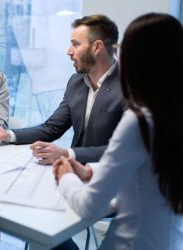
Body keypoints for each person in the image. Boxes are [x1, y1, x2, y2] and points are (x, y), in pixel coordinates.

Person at [53, 13, 183, 249]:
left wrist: (65, 177)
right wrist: (90, 171)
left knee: (52, 241)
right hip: (167, 241)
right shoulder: (171, 114)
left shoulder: (139, 121)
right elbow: (148, 171)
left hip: (129, 243)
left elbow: (89, 206)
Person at [0, 15, 125, 165]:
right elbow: (51, 128)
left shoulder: (130, 88)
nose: (69, 51)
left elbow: (123, 150)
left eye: (75, 44)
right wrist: (7, 135)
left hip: (114, 180)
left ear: (97, 47)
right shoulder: (76, 82)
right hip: (74, 174)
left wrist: (66, 154)